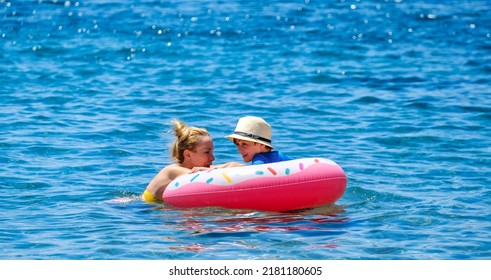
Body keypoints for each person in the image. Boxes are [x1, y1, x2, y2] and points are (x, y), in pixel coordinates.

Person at [143, 119, 241, 203]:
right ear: (188, 154)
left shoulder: (199, 169)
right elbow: (204, 177)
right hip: (141, 210)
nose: (213, 158)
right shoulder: (173, 171)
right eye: (207, 152)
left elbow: (232, 165)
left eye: (212, 152)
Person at [226, 116, 292, 165]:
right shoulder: (278, 155)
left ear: (262, 145)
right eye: (237, 144)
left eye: (244, 144)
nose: (239, 149)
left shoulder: (260, 159)